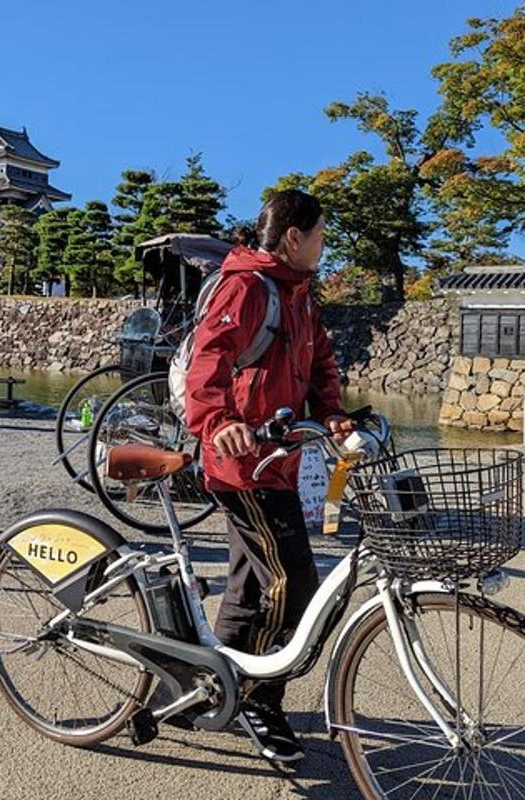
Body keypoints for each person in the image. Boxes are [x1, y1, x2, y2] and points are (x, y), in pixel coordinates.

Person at [184, 189, 354, 764]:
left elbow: (320, 365)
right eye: (321, 234)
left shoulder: (301, 295)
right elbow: (209, 360)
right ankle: (259, 698)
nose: (324, 245)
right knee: (294, 584)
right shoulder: (248, 286)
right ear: (293, 238)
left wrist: (329, 411)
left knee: (249, 584)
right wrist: (218, 420)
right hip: (242, 464)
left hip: (279, 461)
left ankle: (210, 686)